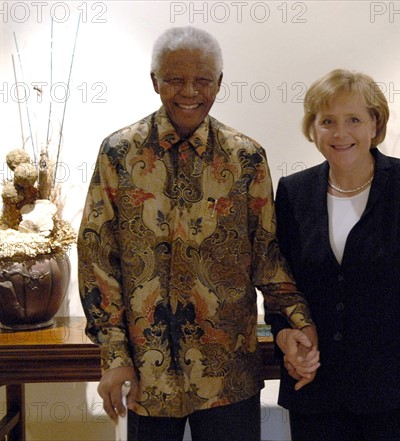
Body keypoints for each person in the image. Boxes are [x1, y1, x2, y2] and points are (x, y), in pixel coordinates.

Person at [77, 26, 318, 441]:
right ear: (154, 81)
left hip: (229, 371)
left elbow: (267, 254)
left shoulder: (246, 157)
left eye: (203, 80)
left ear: (219, 83)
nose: (189, 91)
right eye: (175, 79)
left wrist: (299, 324)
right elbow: (97, 256)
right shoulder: (119, 152)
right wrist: (114, 354)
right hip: (147, 372)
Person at [266, 69, 400, 441]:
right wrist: (285, 337)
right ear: (313, 128)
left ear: (374, 123)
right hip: (316, 393)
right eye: (327, 121)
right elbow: (280, 285)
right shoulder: (293, 192)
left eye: (353, 119)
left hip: (397, 395)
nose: (340, 133)